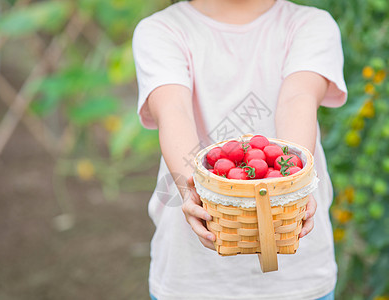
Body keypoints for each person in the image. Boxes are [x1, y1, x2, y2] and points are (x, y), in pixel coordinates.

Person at [132, 0, 347, 299]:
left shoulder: (310, 25)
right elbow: (173, 110)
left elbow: (298, 98)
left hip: (298, 278)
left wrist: (290, 186)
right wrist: (191, 186)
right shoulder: (161, 30)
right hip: (193, 277)